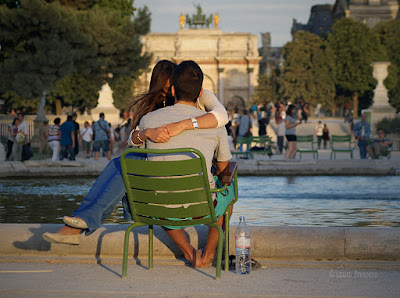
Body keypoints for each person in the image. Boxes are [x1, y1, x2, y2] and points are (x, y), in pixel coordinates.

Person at [42, 59, 228, 245]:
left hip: (162, 197)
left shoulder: (194, 103)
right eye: (164, 91)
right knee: (126, 161)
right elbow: (132, 140)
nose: (169, 95)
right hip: (195, 191)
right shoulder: (154, 116)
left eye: (170, 89)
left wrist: (181, 125)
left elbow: (222, 115)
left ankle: (82, 221)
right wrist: (147, 133)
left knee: (123, 162)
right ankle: (82, 221)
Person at [138, 60, 233, 267]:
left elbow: (136, 147)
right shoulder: (214, 124)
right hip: (202, 206)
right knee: (229, 187)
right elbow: (224, 169)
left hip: (158, 206)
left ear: (172, 90)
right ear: (200, 94)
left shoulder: (148, 121)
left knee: (162, 187)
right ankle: (208, 256)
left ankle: (189, 253)